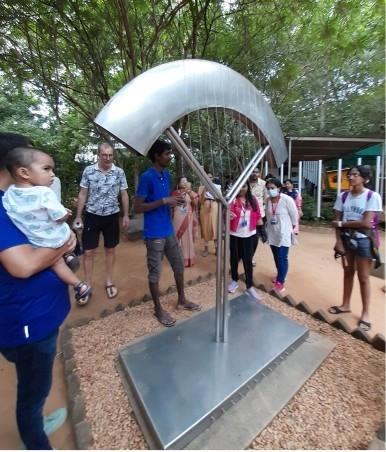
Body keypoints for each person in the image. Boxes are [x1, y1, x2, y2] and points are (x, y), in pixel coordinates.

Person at [0, 132, 76, 450]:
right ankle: (36, 440)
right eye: (35, 160)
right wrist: (63, 243)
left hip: (39, 316)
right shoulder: (3, 208)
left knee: (34, 385)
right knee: (32, 392)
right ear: (18, 166)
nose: (45, 171)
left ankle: (35, 419)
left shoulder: (20, 202)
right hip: (28, 324)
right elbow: (23, 265)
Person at [3, 147, 91, 303]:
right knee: (66, 234)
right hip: (54, 236)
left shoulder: (9, 193)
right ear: (24, 172)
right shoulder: (44, 192)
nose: (52, 174)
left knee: (56, 264)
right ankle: (70, 256)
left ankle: (79, 284)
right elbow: (58, 218)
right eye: (46, 169)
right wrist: (66, 213)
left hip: (36, 241)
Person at [134, 139, 200, 327]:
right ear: (156, 156)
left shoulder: (167, 175)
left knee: (179, 266)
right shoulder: (147, 177)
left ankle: (182, 299)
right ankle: (158, 309)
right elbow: (137, 207)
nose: (170, 157)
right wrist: (164, 201)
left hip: (168, 230)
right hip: (154, 234)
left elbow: (169, 200)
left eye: (170, 153)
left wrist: (176, 200)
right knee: (155, 273)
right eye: (167, 154)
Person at [73, 142, 129, 304]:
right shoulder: (89, 171)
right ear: (99, 155)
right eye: (104, 155)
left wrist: (125, 215)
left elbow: (124, 194)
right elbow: (83, 193)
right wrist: (78, 216)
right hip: (92, 215)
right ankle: (88, 284)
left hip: (112, 216)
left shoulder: (119, 172)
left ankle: (109, 281)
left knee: (110, 250)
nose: (108, 158)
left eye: (110, 155)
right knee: (89, 252)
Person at [328, 165, 382, 332]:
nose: (351, 177)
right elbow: (335, 221)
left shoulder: (372, 196)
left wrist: (342, 224)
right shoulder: (343, 197)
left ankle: (366, 313)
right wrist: (338, 241)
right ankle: (345, 305)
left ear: (365, 178)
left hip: (364, 240)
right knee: (348, 272)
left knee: (364, 277)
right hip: (346, 239)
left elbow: (366, 222)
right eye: (350, 175)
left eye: (355, 175)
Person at [228, 182, 263, 301]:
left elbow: (258, 215)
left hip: (250, 234)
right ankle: (234, 280)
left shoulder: (252, 200)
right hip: (235, 234)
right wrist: (228, 215)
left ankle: (249, 286)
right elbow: (224, 214)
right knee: (234, 258)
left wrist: (261, 231)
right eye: (239, 186)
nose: (242, 189)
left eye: (244, 186)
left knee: (248, 260)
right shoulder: (232, 199)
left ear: (248, 187)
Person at [265, 177, 298, 293]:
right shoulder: (268, 200)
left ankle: (280, 282)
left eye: (272, 188)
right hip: (273, 233)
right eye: (268, 188)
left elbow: (294, 215)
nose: (270, 190)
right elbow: (268, 216)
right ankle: (280, 275)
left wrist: (292, 227)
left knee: (282, 257)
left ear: (279, 188)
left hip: (284, 233)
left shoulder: (287, 200)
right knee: (276, 256)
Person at [172, 176, 199, 267]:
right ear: (178, 184)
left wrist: (190, 193)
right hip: (178, 217)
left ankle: (189, 259)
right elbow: (171, 206)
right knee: (178, 237)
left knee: (188, 237)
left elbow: (195, 204)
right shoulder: (174, 193)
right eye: (182, 181)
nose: (184, 182)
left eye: (186, 181)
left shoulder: (191, 193)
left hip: (188, 218)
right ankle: (179, 259)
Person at [197, 172, 221, 257]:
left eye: (210, 177)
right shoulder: (201, 188)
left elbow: (220, 198)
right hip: (205, 207)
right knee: (205, 228)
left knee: (215, 228)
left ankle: (217, 249)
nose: (209, 178)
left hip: (215, 207)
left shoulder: (217, 187)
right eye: (207, 177)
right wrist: (204, 190)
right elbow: (200, 201)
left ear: (212, 178)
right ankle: (206, 249)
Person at [249, 166, 267, 266]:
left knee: (255, 238)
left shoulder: (263, 184)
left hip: (258, 216)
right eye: (252, 172)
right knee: (245, 236)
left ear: (259, 173)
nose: (254, 174)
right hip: (245, 215)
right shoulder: (245, 183)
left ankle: (251, 257)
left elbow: (265, 199)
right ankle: (243, 255)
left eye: (256, 172)